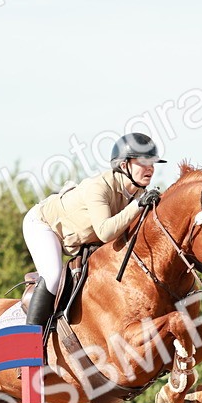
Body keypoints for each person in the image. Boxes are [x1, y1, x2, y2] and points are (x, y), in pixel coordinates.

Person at [23, 132, 166, 327]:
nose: (150, 167)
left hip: (80, 240)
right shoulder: (99, 187)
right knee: (53, 276)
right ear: (124, 165)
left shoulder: (139, 194)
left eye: (153, 162)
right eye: (143, 161)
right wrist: (137, 206)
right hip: (43, 224)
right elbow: (105, 233)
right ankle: (30, 339)